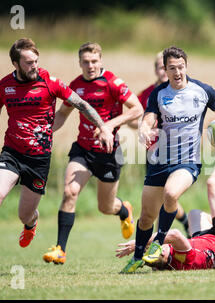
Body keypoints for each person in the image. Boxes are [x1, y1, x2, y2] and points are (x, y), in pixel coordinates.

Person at [0, 38, 114, 271]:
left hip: (39, 159)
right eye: (29, 62)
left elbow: (80, 104)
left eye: (36, 61)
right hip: (11, 153)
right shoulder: (4, 86)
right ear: (16, 63)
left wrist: (102, 126)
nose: (34, 66)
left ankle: (31, 224)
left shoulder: (50, 82)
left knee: (25, 214)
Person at [120, 44, 215, 273]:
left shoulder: (202, 90)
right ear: (165, 71)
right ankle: (138, 257)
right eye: (172, 68)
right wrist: (144, 130)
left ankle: (158, 244)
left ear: (186, 66)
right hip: (160, 161)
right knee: (146, 216)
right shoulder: (159, 94)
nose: (177, 72)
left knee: (171, 193)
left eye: (181, 67)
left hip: (188, 162)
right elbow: (149, 117)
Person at [42, 42, 143, 265]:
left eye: (94, 61)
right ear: (79, 63)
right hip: (84, 150)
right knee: (70, 192)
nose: (90, 66)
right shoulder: (75, 86)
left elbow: (137, 109)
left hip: (109, 153)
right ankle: (60, 249)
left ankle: (123, 210)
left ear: (101, 61)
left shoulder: (113, 83)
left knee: (105, 207)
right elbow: (61, 115)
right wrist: (45, 132)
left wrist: (108, 126)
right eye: (86, 62)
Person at [116, 146, 215, 271]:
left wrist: (146, 251)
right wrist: (139, 243)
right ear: (165, 256)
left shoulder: (168, 264)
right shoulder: (183, 258)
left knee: (194, 215)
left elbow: (159, 262)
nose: (159, 249)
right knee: (213, 183)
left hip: (203, 239)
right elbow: (175, 235)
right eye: (159, 252)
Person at [128, 51, 190, 237]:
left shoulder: (183, 90)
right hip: (154, 153)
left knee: (167, 197)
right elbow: (133, 119)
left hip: (177, 153)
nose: (163, 71)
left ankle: (161, 239)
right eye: (160, 67)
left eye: (166, 67)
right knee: (160, 201)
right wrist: (145, 125)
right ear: (156, 69)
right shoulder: (148, 93)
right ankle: (182, 223)